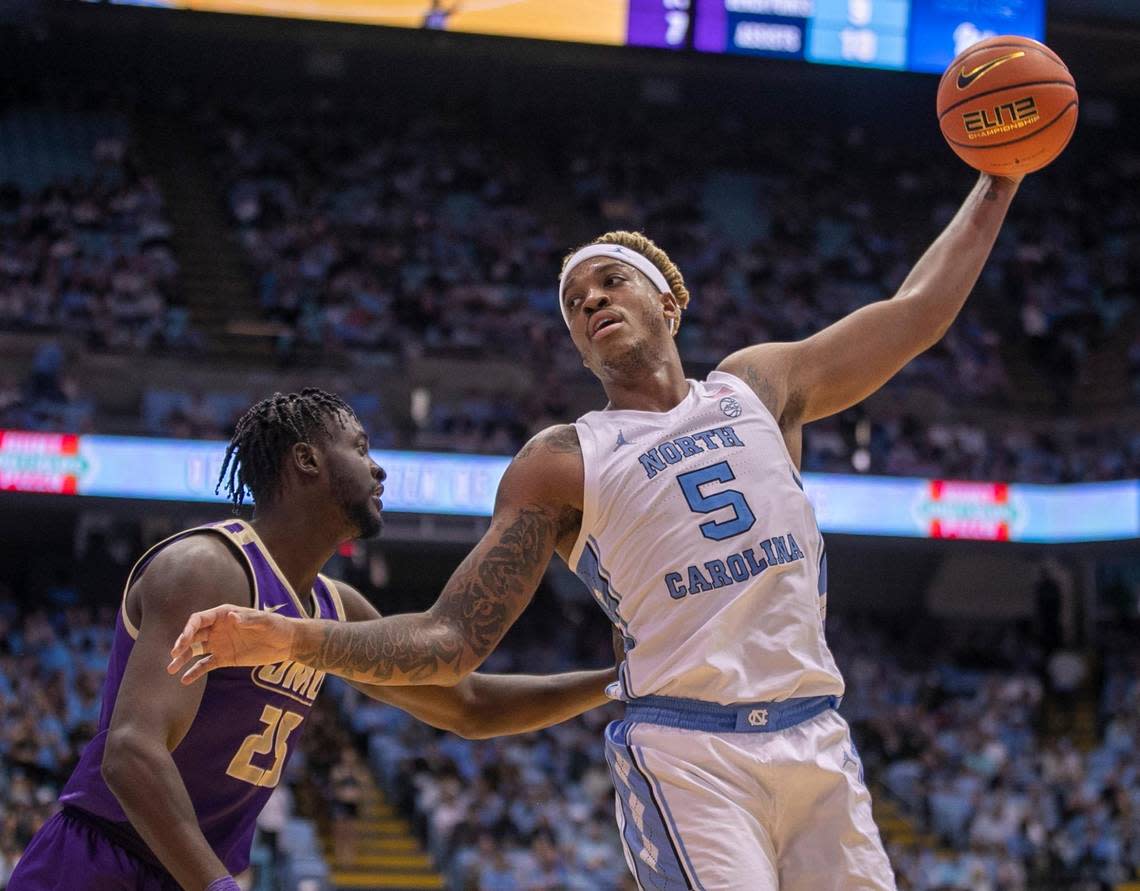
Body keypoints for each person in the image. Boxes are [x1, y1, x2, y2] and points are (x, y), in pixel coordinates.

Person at [170, 173, 1023, 889]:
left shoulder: (758, 385)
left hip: (817, 732)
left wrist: (999, 179)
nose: (591, 302)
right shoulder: (562, 459)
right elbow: (450, 639)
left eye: (610, 282)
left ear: (669, 300)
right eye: (577, 305)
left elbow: (916, 312)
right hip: (691, 751)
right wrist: (290, 635)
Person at [9, 389, 615, 891]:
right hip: (103, 861)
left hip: (191, 874)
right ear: (306, 461)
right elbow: (132, 753)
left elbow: (468, 704)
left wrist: (617, 685)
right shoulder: (210, 568)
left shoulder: (334, 607)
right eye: (360, 448)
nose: (378, 468)